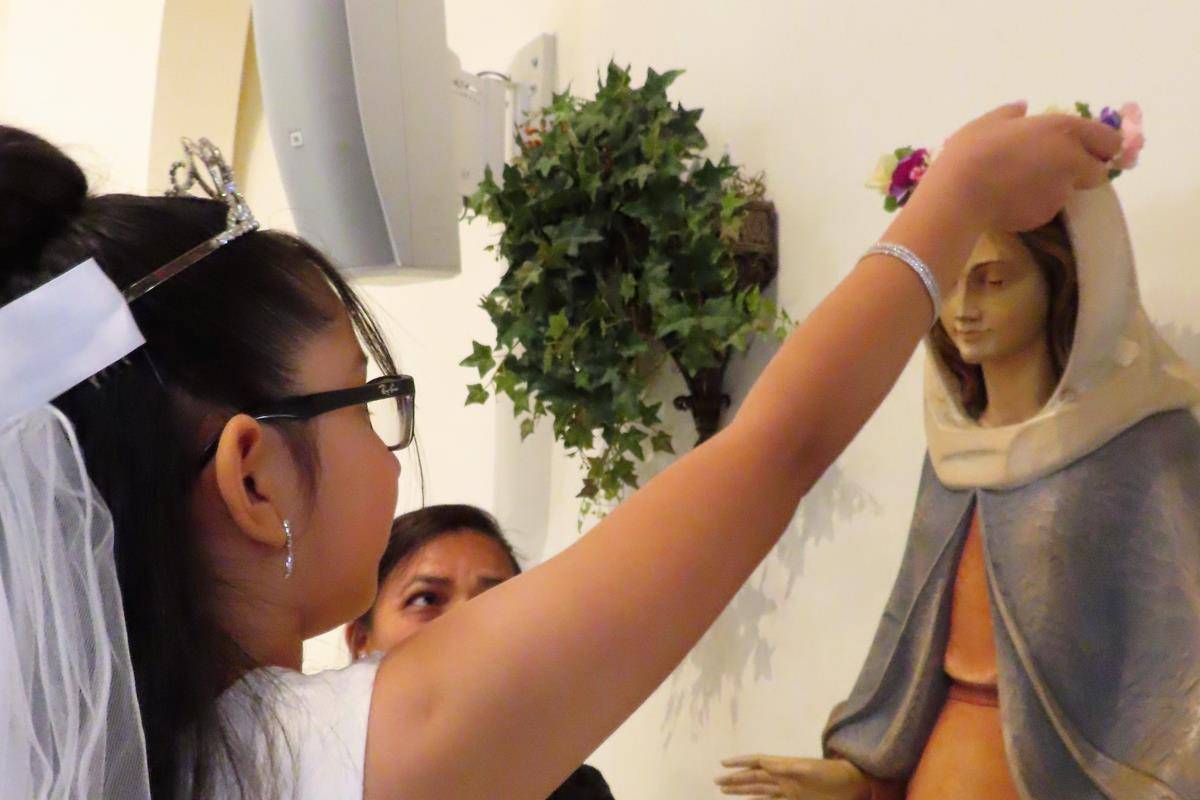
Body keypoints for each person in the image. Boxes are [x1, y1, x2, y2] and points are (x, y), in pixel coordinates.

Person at [0, 103, 1122, 799]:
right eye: (367, 397)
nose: (393, 451)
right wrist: (962, 190)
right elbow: (776, 448)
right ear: (254, 476)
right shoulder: (339, 753)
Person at [717, 109, 1200, 800]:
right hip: (940, 768)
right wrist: (857, 776)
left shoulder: (1145, 444)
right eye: (951, 281)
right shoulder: (953, 455)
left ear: (1062, 285)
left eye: (996, 279)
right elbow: (910, 652)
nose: (964, 307)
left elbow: (1179, 672)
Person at [345, 504, 615, 799]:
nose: (468, 622)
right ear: (361, 640)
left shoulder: (574, 790)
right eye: (426, 599)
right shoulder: (309, 777)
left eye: (496, 599)